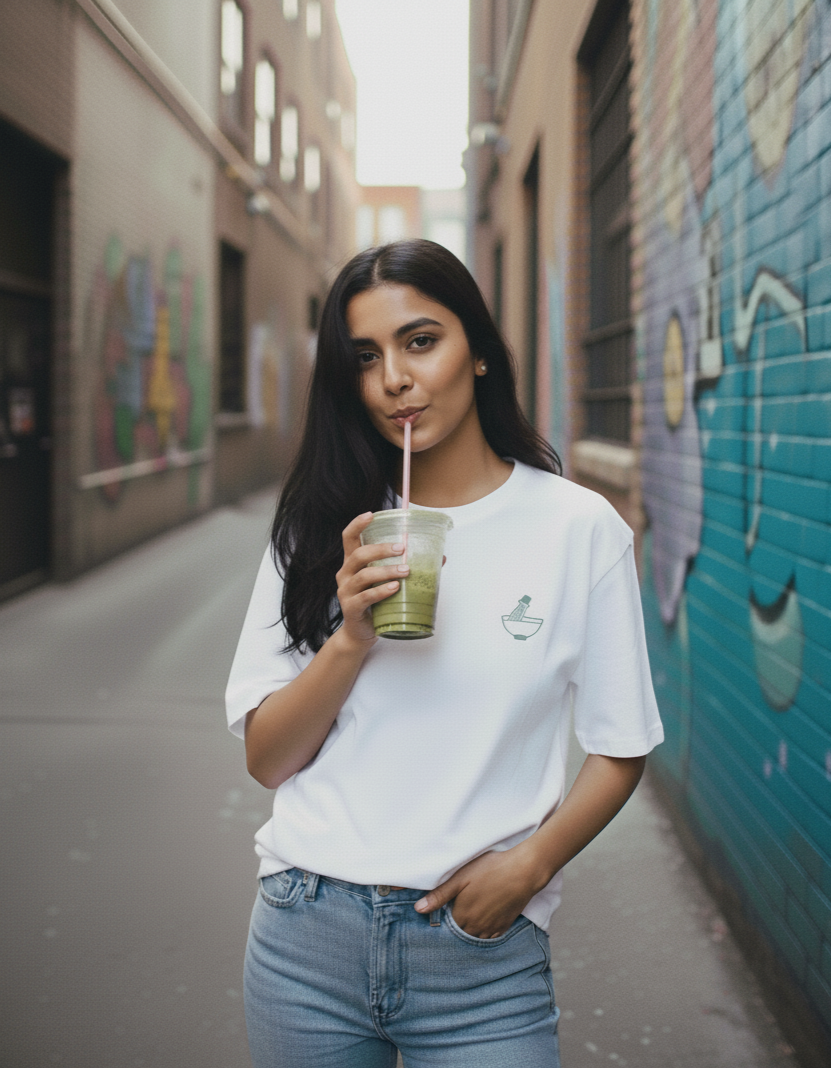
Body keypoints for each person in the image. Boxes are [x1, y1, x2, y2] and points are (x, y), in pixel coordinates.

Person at [226, 239, 663, 1068]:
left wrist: (528, 867)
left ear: (479, 353)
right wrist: (351, 637)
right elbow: (267, 759)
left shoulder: (577, 530)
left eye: (419, 341)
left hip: (479, 955)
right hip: (305, 936)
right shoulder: (321, 529)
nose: (393, 377)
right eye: (365, 357)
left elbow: (621, 745)